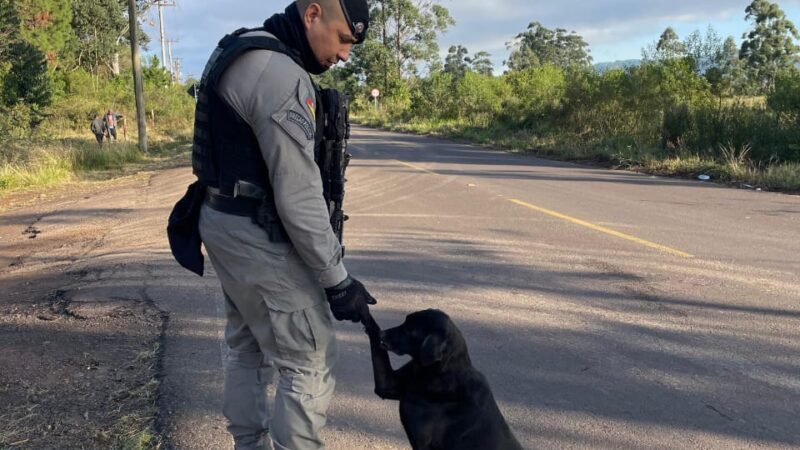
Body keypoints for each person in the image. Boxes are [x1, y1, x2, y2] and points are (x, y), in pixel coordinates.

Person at [192, 1, 372, 449]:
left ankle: (249, 444)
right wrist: (337, 281)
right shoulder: (279, 73)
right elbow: (298, 194)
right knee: (310, 357)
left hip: (223, 220)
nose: (344, 55)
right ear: (313, 15)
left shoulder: (239, 48)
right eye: (343, 39)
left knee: (249, 345)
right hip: (257, 232)